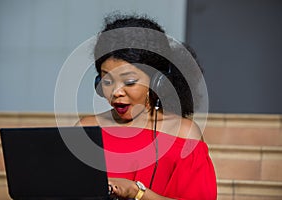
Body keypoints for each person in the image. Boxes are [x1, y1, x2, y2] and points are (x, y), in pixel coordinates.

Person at [77, 14, 217, 200]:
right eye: (108, 80)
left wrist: (137, 192)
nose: (116, 92)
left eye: (129, 81)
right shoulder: (86, 128)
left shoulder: (184, 133)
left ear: (158, 82)